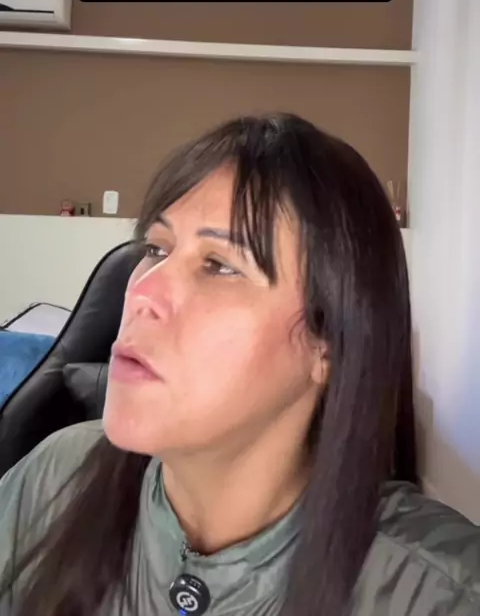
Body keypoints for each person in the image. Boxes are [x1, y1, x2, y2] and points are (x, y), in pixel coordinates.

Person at [0, 113, 478, 616]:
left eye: (220, 266)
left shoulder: (440, 593)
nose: (141, 291)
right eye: (156, 249)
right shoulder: (55, 479)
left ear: (329, 345)